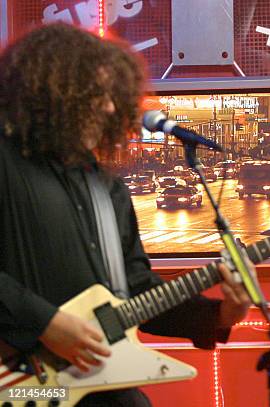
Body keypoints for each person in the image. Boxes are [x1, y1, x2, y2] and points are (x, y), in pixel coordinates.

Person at [0, 24, 251, 406]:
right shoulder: (6, 163)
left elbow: (134, 290)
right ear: (49, 91)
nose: (110, 107)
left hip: (106, 391)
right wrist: (44, 323)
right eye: (96, 93)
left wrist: (220, 314)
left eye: (113, 95)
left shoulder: (108, 189)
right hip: (20, 387)